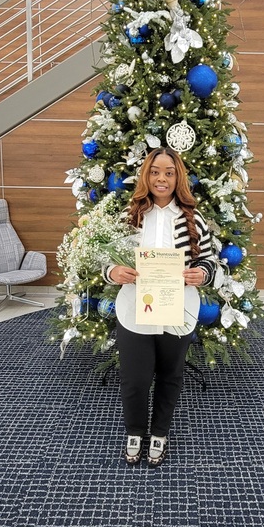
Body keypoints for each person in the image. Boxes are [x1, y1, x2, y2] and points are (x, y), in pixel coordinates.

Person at [104, 146, 216, 467]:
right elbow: (105, 259)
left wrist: (202, 273)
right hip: (134, 310)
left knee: (170, 376)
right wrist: (113, 271)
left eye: (168, 172)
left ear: (177, 176)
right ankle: (135, 431)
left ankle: (160, 434)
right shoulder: (130, 215)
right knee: (135, 380)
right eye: (155, 172)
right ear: (146, 176)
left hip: (178, 311)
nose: (161, 178)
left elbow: (209, 261)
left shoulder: (194, 219)